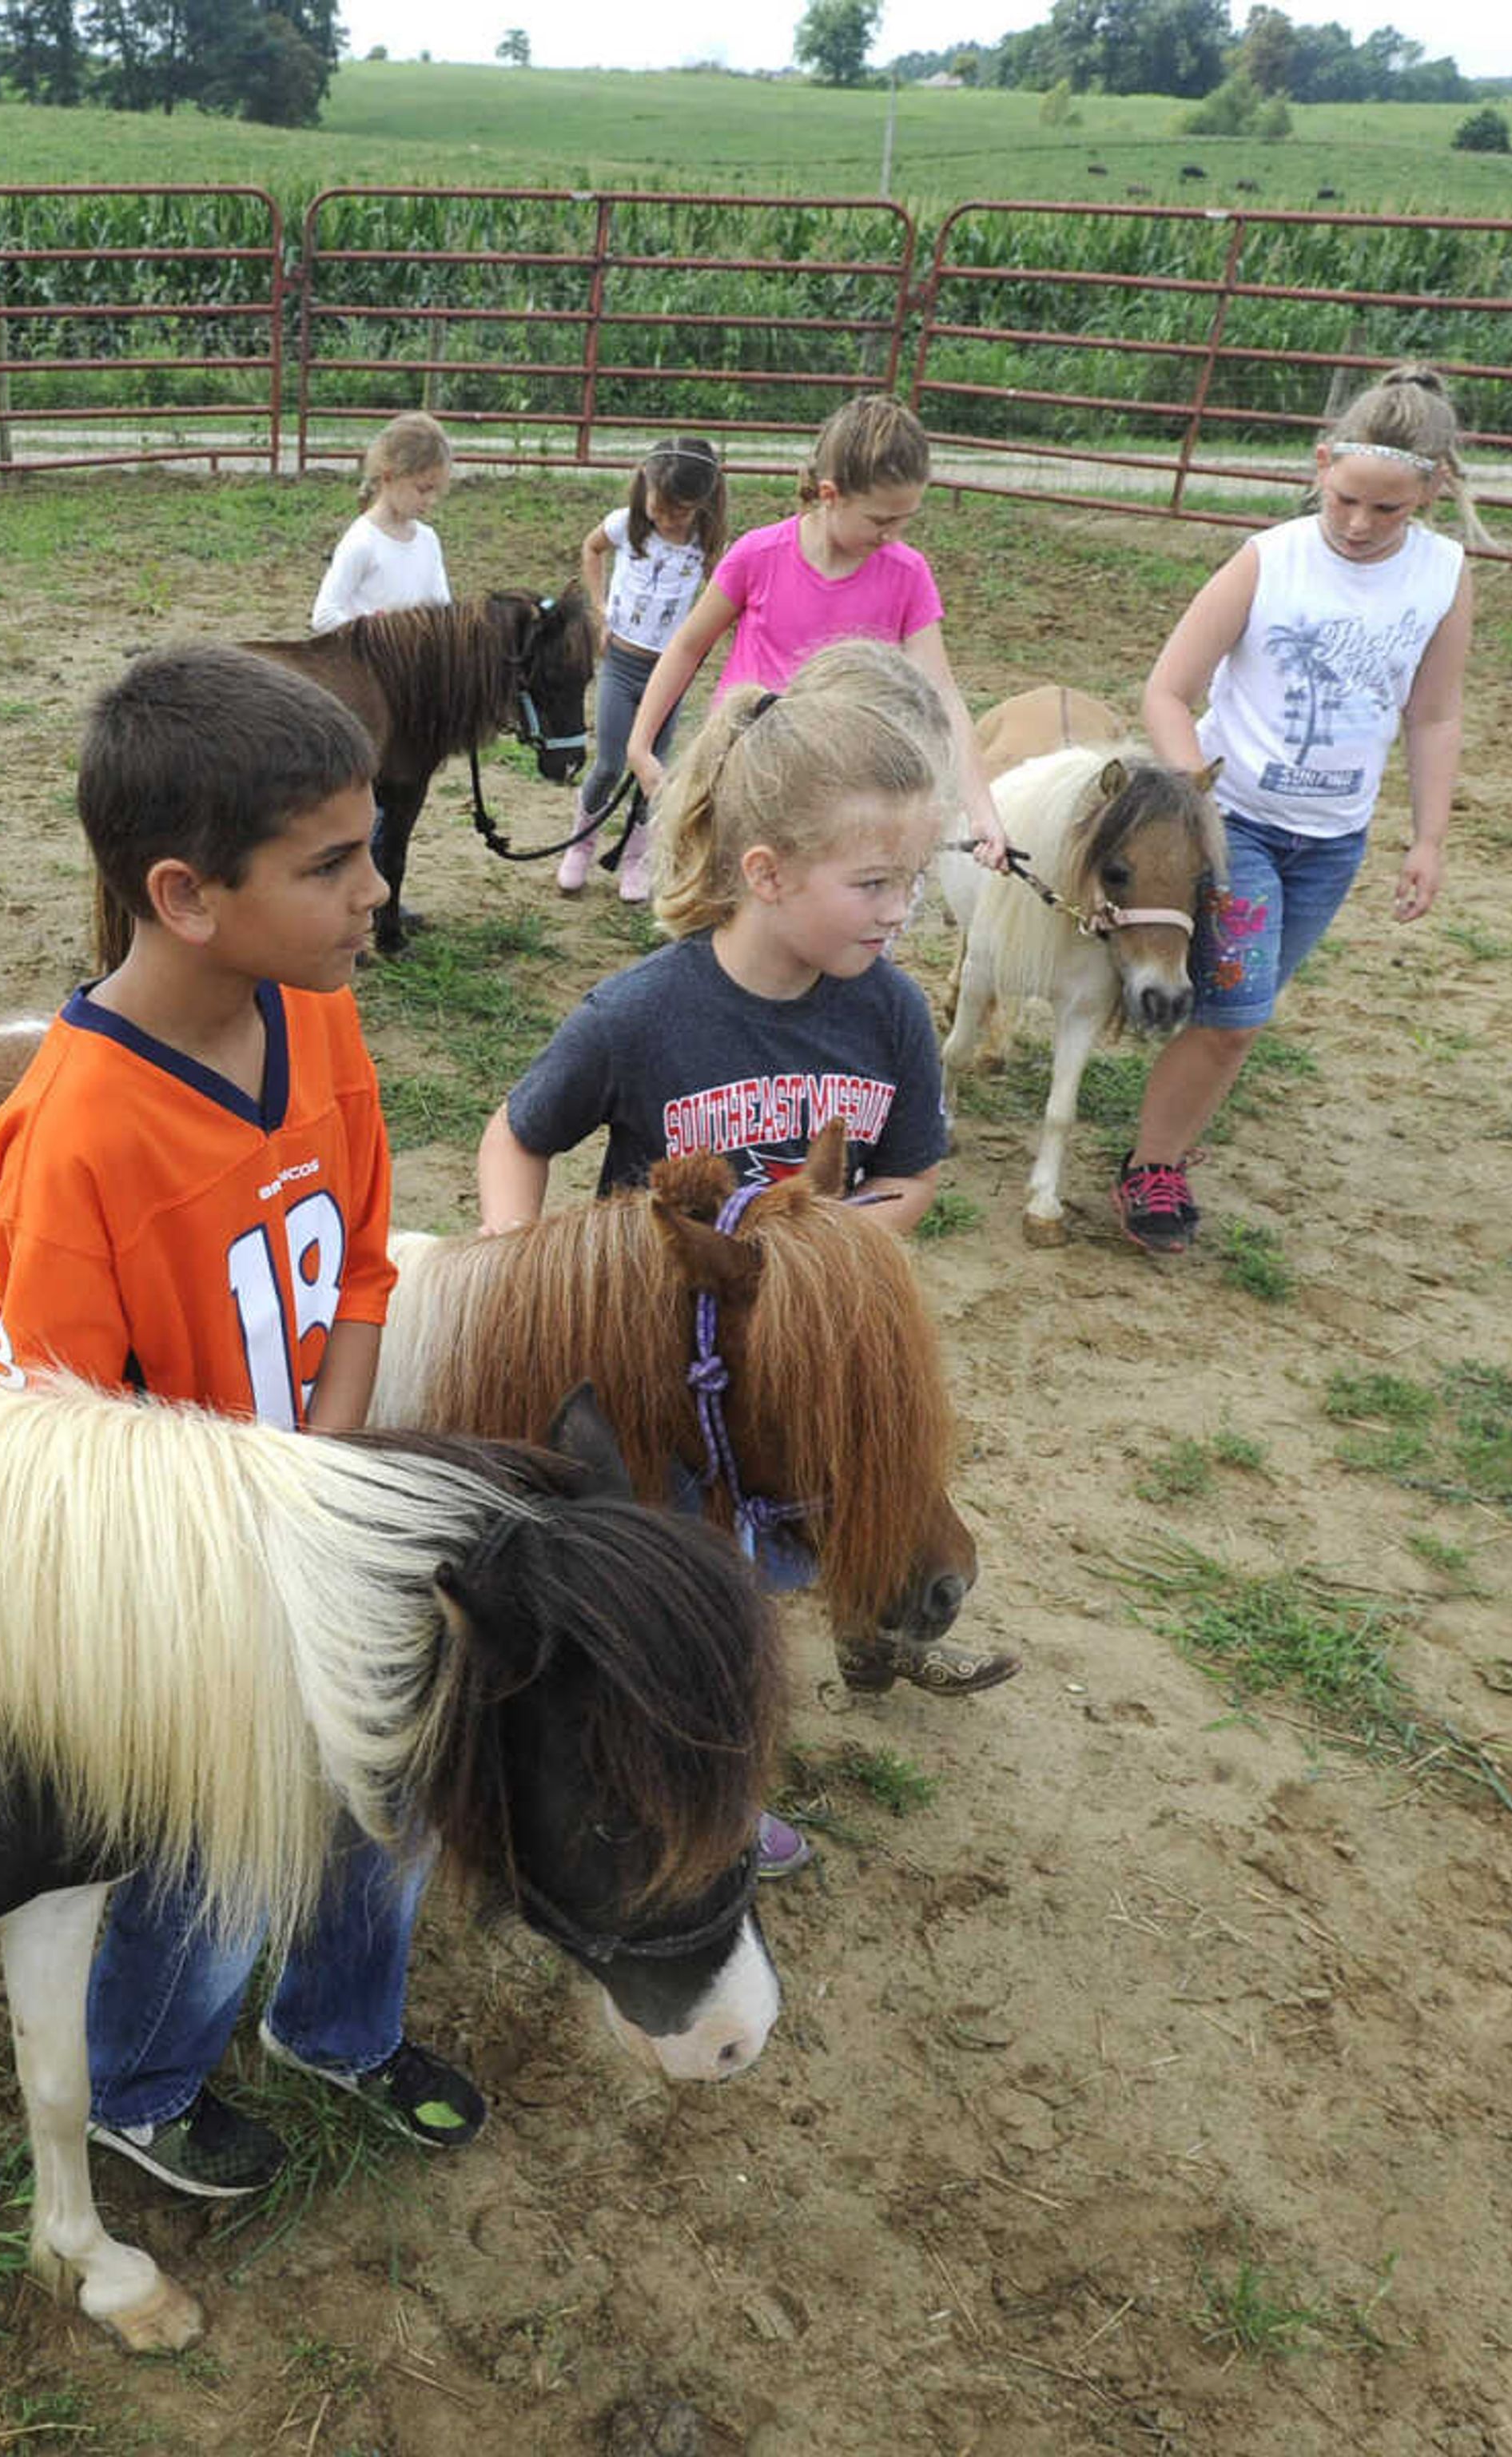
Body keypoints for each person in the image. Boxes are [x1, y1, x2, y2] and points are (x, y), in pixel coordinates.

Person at [0, 643, 486, 2199]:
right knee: (224, 1840)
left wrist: (313, 1470)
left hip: (306, 1498)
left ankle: (335, 2024)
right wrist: (249, 1534)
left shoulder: (315, 1012)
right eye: (331, 863)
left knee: (390, 1773)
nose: (376, 887)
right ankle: (141, 2078)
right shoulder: (72, 1139)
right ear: (188, 894)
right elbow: (49, 1446)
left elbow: (370, 1266)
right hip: (181, 1578)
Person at [478, 639, 961, 1878]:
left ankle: (736, 1750)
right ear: (765, 869)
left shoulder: (892, 1010)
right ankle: (665, 1781)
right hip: (657, 1377)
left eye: (910, 878)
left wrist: (830, 1254)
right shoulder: (643, 1012)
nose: (899, 909)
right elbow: (516, 1136)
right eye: (873, 882)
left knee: (764, 1570)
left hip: (791, 1365)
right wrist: (519, 1265)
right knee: (667, 1584)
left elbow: (917, 1174)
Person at [1112, 363, 1479, 1256]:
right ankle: (1151, 1168)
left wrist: (1428, 836)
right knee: (1240, 1016)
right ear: (1321, 465)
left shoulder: (1443, 575)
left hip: (1335, 839)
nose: (1358, 524)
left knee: (1240, 1008)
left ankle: (1163, 1125)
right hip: (1236, 821)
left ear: (1431, 489)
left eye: (1386, 509)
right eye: (1347, 498)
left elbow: (1434, 712)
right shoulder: (1269, 559)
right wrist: (1195, 797)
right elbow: (1170, 687)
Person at [621, 395, 1007, 868]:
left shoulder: (908, 574)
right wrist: (640, 745)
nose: (893, 535)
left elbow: (942, 693)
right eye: (881, 519)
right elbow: (687, 646)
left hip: (849, 791)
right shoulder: (758, 555)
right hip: (751, 777)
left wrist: (980, 809)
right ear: (830, 495)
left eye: (906, 520)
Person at [564, 435, 730, 905]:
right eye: (661, 505)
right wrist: (599, 610)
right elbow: (590, 550)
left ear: (702, 503)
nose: (667, 517)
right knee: (611, 763)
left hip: (669, 675)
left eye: (680, 511)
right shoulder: (626, 526)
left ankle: (636, 858)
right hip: (621, 663)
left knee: (650, 771)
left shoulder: (705, 544)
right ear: (645, 485)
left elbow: (724, 592)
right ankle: (581, 843)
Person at [310, 411, 454, 632]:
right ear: (389, 477)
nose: (431, 500)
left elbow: (444, 612)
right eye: (422, 489)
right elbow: (324, 616)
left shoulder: (428, 540)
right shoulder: (363, 542)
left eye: (435, 491)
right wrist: (384, 637)